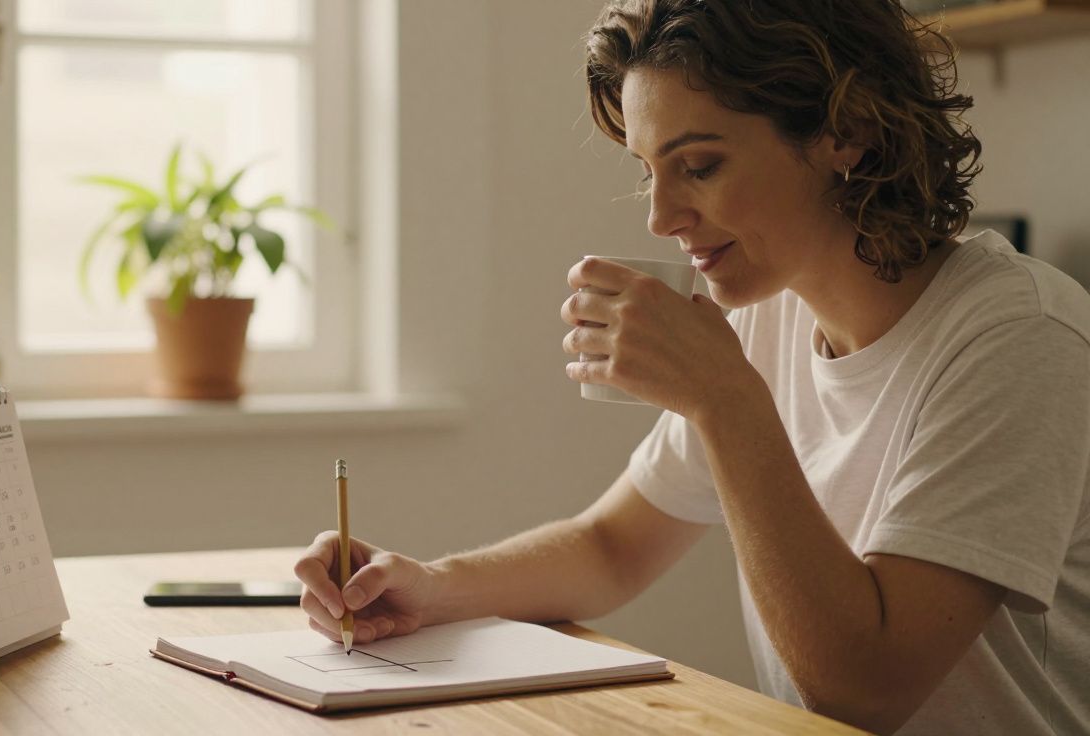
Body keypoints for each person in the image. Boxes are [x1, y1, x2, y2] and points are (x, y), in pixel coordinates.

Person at [293, 1, 1090, 733]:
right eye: (649, 171)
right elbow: (613, 547)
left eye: (699, 166)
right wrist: (426, 587)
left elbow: (864, 689)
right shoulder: (772, 313)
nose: (660, 216)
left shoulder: (1020, 336)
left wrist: (725, 399)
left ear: (844, 132)